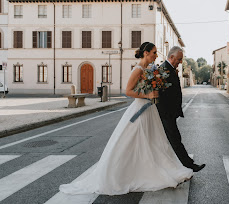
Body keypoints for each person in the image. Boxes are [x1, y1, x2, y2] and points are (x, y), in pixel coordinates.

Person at [59, 42, 193, 196]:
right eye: (154, 52)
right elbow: (128, 91)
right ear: (146, 53)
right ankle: (125, 174)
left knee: (153, 142)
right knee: (131, 142)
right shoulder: (138, 69)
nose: (156, 56)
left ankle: (150, 170)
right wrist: (147, 95)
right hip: (140, 109)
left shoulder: (150, 70)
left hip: (150, 110)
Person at [157, 46, 206, 172]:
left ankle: (175, 165)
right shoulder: (163, 70)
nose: (180, 62)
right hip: (166, 113)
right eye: (178, 59)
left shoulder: (170, 69)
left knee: (170, 140)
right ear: (171, 57)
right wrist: (168, 112)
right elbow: (161, 94)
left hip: (169, 113)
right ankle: (188, 165)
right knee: (175, 139)